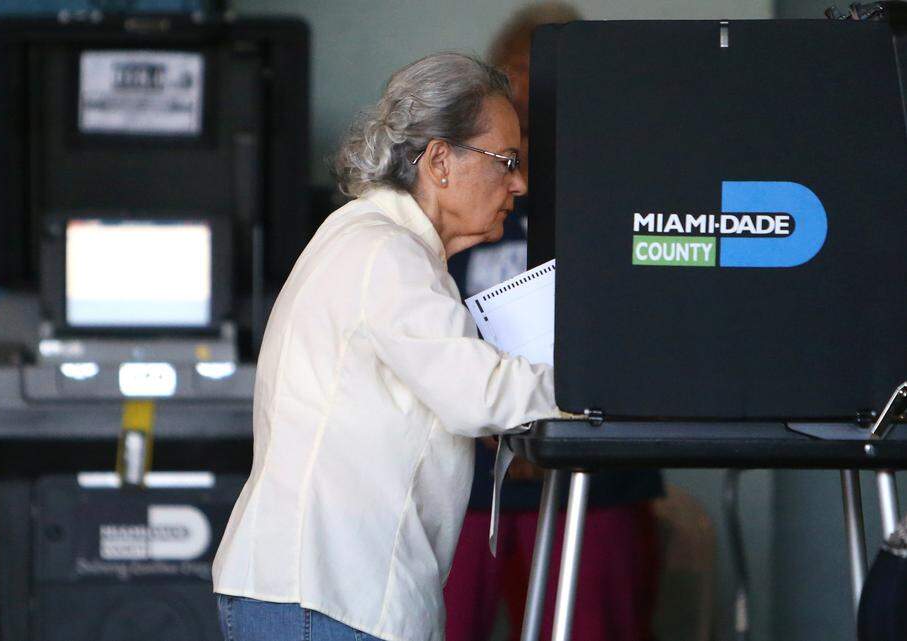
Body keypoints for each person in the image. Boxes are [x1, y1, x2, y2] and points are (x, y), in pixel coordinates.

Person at [212, 53, 560, 641]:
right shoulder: (385, 253)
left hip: (312, 594)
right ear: (440, 161)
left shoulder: (369, 238)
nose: (520, 183)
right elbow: (480, 394)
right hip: (324, 598)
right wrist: (603, 381)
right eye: (507, 161)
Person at [442, 6, 663, 641]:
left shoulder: (632, 189)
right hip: (468, 482)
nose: (536, 83)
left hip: (598, 481)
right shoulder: (456, 197)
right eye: (518, 66)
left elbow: (655, 328)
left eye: (557, 64)